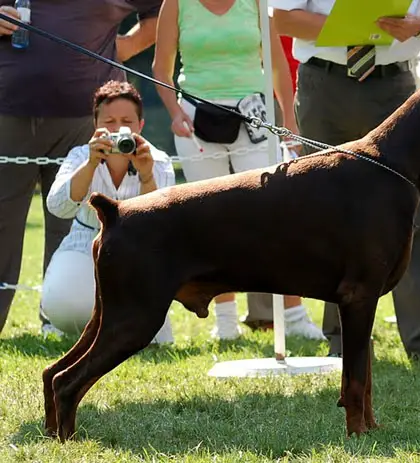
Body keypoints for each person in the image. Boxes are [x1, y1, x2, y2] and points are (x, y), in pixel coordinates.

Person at [272, 0, 420, 363]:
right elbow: (283, 18)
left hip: (396, 88)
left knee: (411, 216)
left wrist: (419, 24)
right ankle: (341, 343)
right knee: (330, 218)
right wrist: (355, 28)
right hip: (324, 85)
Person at [152, 0, 325, 341]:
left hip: (254, 116)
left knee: (274, 215)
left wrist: (288, 120)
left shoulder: (257, 3)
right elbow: (161, 67)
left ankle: (293, 314)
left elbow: (277, 63)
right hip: (196, 118)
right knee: (209, 221)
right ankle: (226, 320)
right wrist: (174, 111)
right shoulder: (176, 3)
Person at [0, 0, 163, 336]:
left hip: (88, 118)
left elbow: (158, 16)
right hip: (8, 107)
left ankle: (57, 324)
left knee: (69, 222)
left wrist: (122, 47)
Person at [41, 81, 174, 343]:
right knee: (64, 307)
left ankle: (132, 323)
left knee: (154, 336)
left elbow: (162, 224)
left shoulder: (157, 160)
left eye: (127, 121)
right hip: (86, 239)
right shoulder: (80, 155)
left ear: (140, 126)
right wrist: (91, 164)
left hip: (139, 246)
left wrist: (147, 176)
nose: (118, 130)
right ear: (96, 125)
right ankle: (79, 321)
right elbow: (57, 207)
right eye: (109, 122)